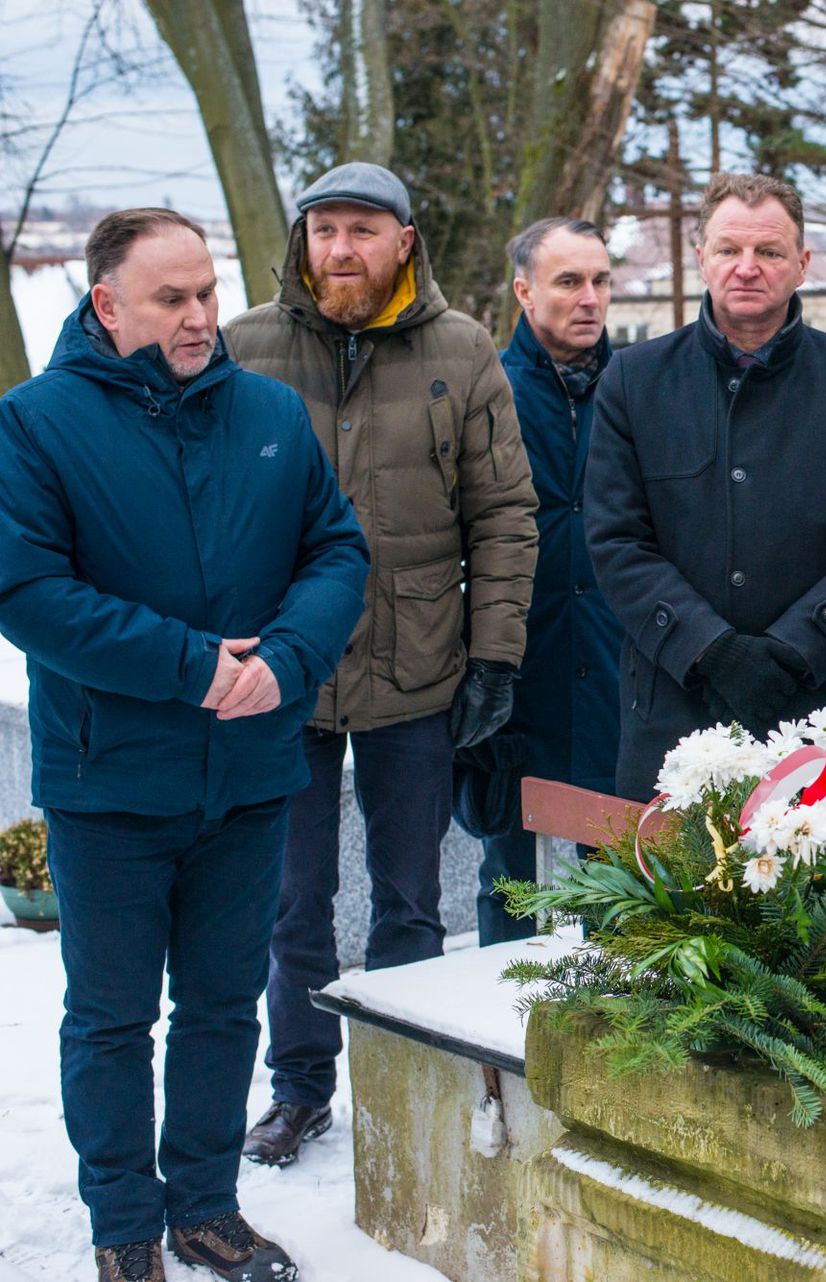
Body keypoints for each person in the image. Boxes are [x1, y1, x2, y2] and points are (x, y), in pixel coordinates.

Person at [0, 209, 369, 1282]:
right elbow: (28, 591)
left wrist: (287, 660)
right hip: (111, 780)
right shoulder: (35, 423)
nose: (201, 315)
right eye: (172, 299)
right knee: (111, 1019)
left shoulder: (268, 413)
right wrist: (191, 665)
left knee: (220, 1005)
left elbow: (336, 550)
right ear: (107, 306)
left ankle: (206, 1209)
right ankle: (124, 1228)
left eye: (207, 291)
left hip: (249, 773)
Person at [224, 162, 539, 1165]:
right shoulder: (245, 346)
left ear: (404, 241)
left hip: (419, 667)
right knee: (292, 899)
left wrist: (494, 655)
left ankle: (408, 1081)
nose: (341, 249)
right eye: (324, 230)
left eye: (362, 230)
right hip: (285, 670)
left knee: (409, 898)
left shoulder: (462, 349)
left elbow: (503, 513)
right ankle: (300, 1086)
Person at [586, 173, 826, 798]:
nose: (747, 267)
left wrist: (799, 647)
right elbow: (616, 540)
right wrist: (709, 649)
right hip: (677, 705)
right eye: (729, 249)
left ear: (802, 264)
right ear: (701, 257)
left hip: (822, 706)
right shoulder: (634, 380)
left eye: (769, 251)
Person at [471, 218, 621, 943]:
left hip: (619, 668)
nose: (589, 298)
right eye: (569, 281)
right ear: (525, 292)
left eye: (600, 281)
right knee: (509, 877)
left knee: (623, 879)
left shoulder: (638, 388)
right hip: (517, 672)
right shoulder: (486, 391)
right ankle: (495, 1002)